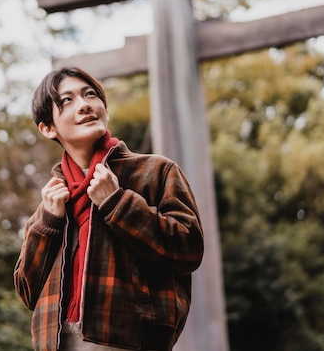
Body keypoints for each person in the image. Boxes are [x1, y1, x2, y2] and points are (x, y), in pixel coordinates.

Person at [13, 67, 204, 351]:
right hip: (58, 343)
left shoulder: (155, 171)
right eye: (67, 100)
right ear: (47, 128)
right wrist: (48, 224)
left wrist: (117, 201)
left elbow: (188, 249)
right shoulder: (51, 202)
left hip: (132, 340)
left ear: (105, 109)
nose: (84, 105)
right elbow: (27, 293)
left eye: (90, 94)